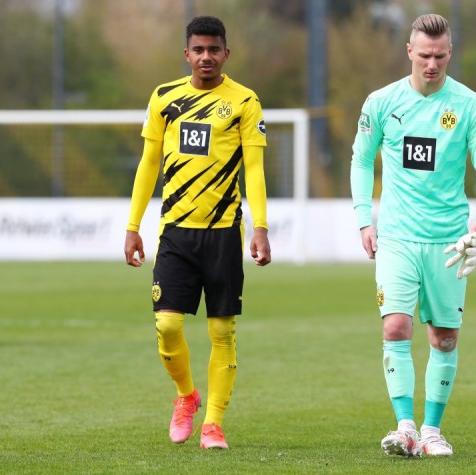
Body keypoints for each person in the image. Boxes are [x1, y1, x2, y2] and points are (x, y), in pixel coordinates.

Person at [350, 13, 476, 457]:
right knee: (396, 325)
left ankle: (432, 431)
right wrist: (364, 218)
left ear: (449, 53)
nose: (431, 64)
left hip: (449, 239)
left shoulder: (470, 105)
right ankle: (405, 428)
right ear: (409, 52)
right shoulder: (381, 102)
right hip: (397, 235)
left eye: (439, 56)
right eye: (424, 56)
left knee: (444, 337)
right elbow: (361, 160)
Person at [124, 15, 271, 450]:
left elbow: (254, 169)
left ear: (227, 53)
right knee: (168, 325)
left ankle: (213, 424)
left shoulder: (244, 101)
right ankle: (186, 396)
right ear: (186, 54)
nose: (207, 56)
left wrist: (260, 226)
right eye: (199, 49)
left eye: (214, 49)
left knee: (222, 331)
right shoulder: (164, 98)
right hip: (175, 232)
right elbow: (148, 164)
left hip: (223, 233)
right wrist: (132, 226)